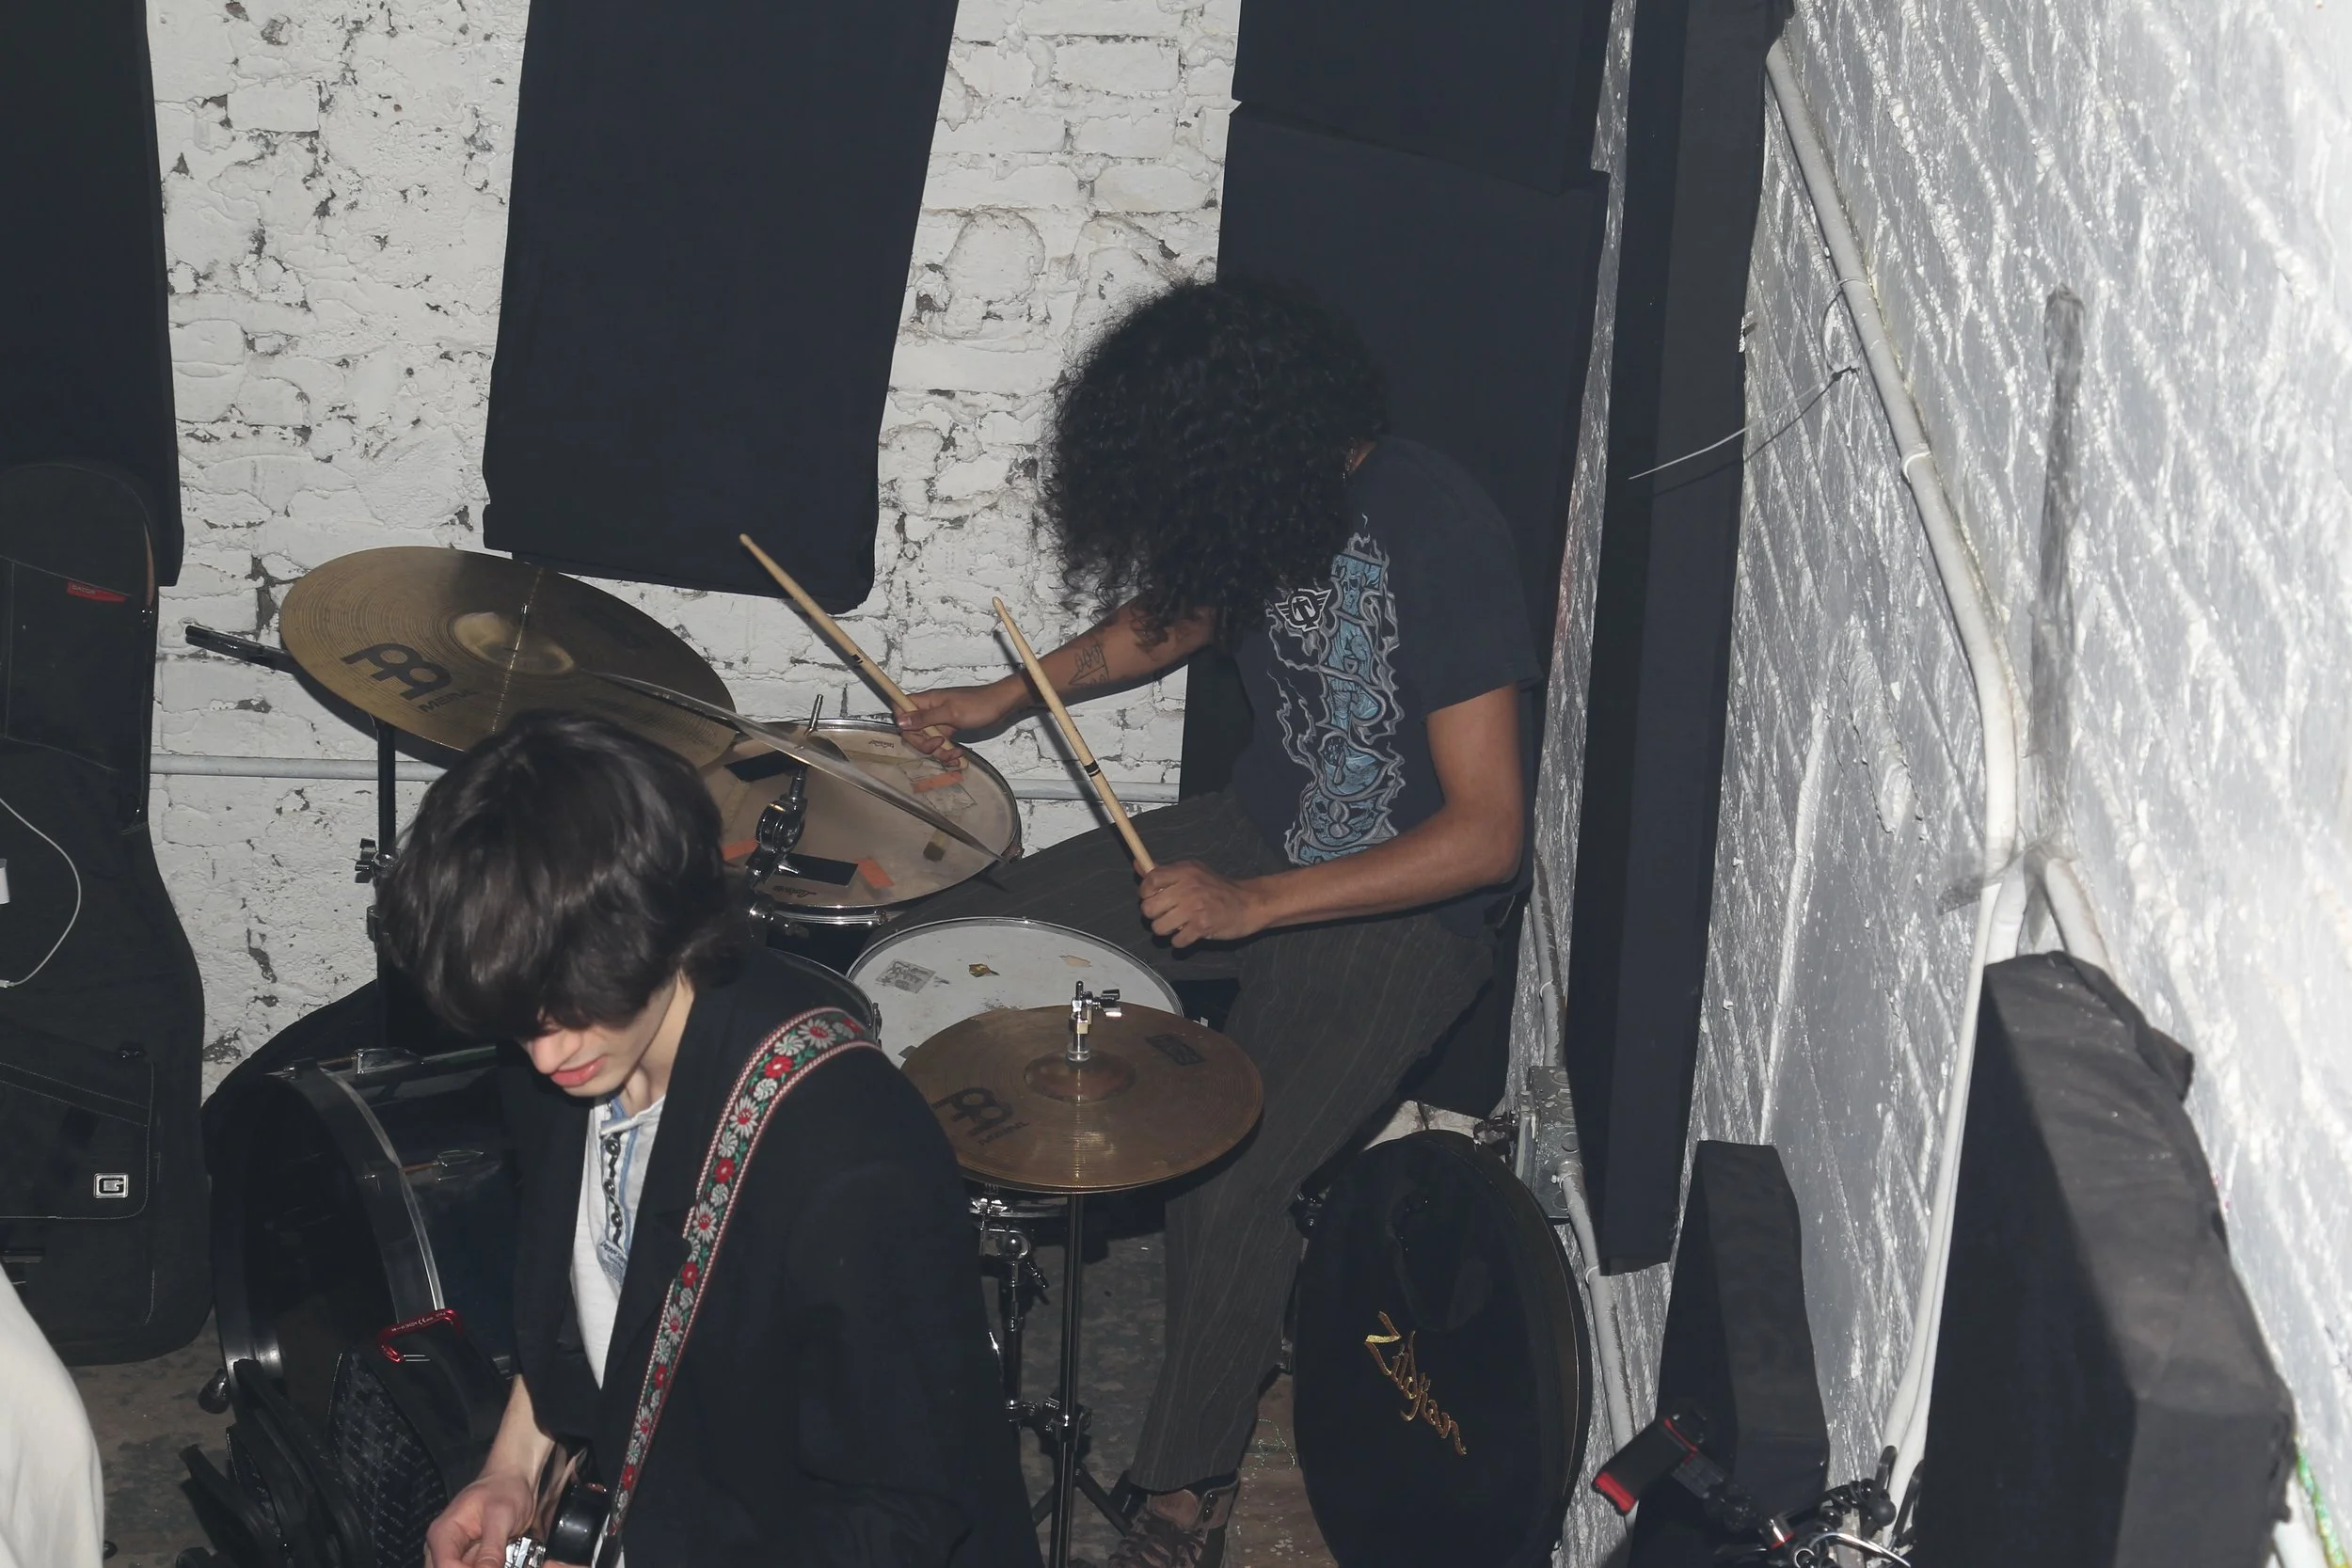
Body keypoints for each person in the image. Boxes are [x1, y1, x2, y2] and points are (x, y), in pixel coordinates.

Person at [898, 276, 1537, 1568]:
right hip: (1258, 830)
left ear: (1246, 436)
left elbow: (1487, 834)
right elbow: (1171, 619)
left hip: (1402, 909)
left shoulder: (1437, 522)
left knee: (1234, 1179)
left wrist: (1252, 904)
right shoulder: (1271, 500)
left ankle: (1187, 1479)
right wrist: (1002, 697)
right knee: (958, 945)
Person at [380, 711, 1039, 1568]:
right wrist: (513, 1465)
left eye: (571, 1009)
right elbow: (590, 1299)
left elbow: (900, 1517)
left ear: (662, 922)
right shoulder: (572, 1043)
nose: (546, 1056)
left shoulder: (850, 1158)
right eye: (520, 1024)